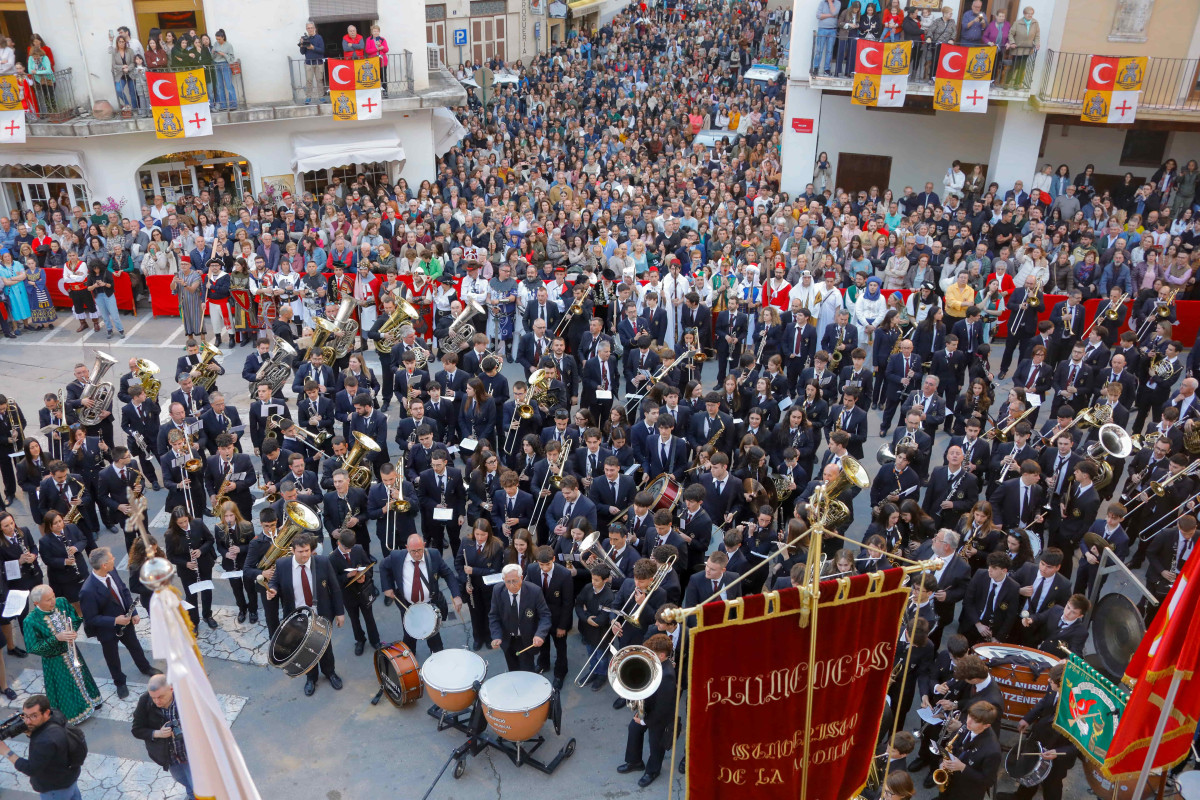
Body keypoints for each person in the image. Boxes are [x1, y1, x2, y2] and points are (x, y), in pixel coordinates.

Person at [266, 532, 345, 696]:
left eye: (307, 551)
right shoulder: (282, 564)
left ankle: (330, 673)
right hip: (297, 618)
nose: (304, 555)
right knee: (304, 650)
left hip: (321, 613)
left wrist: (340, 613)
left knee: (325, 647)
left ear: (311, 550)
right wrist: (272, 589)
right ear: (293, 550)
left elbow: (335, 588)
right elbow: (274, 582)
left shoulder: (322, 562)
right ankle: (311, 678)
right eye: (300, 551)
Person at [78, 547, 157, 699]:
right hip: (107, 630)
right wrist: (115, 620)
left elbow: (124, 591)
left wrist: (133, 612)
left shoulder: (111, 572)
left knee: (135, 646)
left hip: (125, 622)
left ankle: (145, 667)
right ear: (104, 565)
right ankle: (120, 682)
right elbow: (91, 618)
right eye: (111, 558)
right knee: (112, 656)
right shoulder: (87, 591)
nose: (114, 559)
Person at [22, 585, 102, 724]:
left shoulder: (61, 602)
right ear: (36, 603)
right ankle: (75, 714)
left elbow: (75, 618)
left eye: (52, 596)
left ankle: (92, 700)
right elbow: (33, 647)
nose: (53, 601)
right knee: (65, 687)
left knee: (82, 675)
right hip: (55, 659)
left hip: (71, 649)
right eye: (48, 600)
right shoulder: (30, 621)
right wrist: (56, 638)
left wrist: (73, 631)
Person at [380, 532, 462, 656]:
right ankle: (409, 659)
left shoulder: (434, 555)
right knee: (409, 636)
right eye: (413, 551)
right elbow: (383, 566)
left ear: (424, 545)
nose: (417, 554)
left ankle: (438, 660)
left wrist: (456, 596)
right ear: (407, 548)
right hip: (407, 606)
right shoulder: (397, 556)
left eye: (419, 550)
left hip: (429, 606)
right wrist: (387, 587)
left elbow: (448, 574)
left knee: (434, 639)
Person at [616, 632, 677, 788]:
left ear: (662, 655)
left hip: (660, 716)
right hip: (650, 708)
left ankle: (653, 771)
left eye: (652, 654)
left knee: (656, 744)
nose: (648, 656)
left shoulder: (668, 675)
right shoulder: (657, 663)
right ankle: (635, 762)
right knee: (634, 728)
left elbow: (663, 708)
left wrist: (644, 720)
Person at [0, 694, 87, 800]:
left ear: (46, 713)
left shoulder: (44, 741)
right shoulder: (55, 714)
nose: (27, 721)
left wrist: (6, 751)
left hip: (55, 790)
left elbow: (31, 769)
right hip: (70, 778)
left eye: (34, 716)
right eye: (25, 716)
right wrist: (31, 732)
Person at [131, 674, 194, 800]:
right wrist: (157, 733)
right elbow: (136, 729)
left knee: (197, 783)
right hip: (169, 756)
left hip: (191, 752)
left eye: (160, 697)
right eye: (153, 698)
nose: (157, 701)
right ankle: (191, 793)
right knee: (180, 778)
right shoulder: (145, 701)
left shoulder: (185, 698)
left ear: (171, 689)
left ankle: (195, 794)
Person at [488, 562, 551, 672]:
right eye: (508, 582)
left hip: (526, 639)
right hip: (507, 640)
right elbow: (494, 616)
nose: (512, 585)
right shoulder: (497, 590)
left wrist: (540, 635)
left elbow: (545, 616)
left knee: (527, 671)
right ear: (503, 579)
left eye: (515, 581)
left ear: (521, 578)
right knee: (513, 669)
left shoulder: (534, 591)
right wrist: (496, 636)